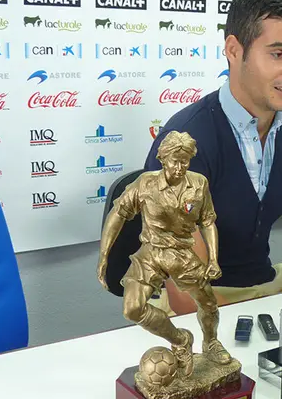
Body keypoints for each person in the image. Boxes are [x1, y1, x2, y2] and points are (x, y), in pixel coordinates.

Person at [144, 0, 282, 315]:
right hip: (201, 302)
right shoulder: (183, 142)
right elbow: (188, 295)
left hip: (267, 288)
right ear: (234, 50)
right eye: (278, 54)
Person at [97, 131, 231, 378]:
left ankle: (211, 342)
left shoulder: (199, 184)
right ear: (163, 159)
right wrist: (104, 254)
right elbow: (118, 214)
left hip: (182, 255)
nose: (180, 168)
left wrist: (213, 259)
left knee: (209, 303)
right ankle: (181, 340)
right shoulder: (146, 184)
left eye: (185, 162)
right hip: (151, 254)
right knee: (132, 309)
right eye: (175, 161)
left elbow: (208, 222)